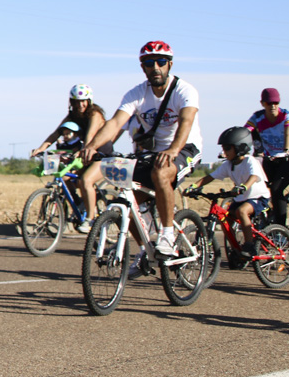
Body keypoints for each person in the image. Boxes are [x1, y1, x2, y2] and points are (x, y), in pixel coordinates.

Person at [82, 41, 203, 272]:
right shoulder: (136, 93)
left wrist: (173, 150)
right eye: (149, 63)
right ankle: (145, 252)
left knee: (161, 173)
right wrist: (92, 145)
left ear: (170, 65)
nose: (155, 67)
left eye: (160, 62)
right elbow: (115, 123)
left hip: (185, 148)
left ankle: (167, 235)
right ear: (143, 67)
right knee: (129, 200)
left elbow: (186, 122)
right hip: (153, 153)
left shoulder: (185, 90)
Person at [30, 84, 110, 232]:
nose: (80, 105)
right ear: (71, 102)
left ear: (89, 100)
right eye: (76, 101)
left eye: (83, 101)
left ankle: (90, 219)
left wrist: (82, 150)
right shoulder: (73, 115)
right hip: (85, 154)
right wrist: (41, 148)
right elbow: (56, 134)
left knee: (86, 180)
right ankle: (80, 202)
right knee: (66, 179)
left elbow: (89, 136)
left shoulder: (95, 114)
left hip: (101, 155)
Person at [187, 127, 270, 258]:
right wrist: (193, 186)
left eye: (227, 148)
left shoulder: (249, 161)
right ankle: (236, 249)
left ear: (240, 147)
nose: (224, 152)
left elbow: (253, 176)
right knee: (226, 219)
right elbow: (210, 177)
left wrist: (243, 187)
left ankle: (250, 245)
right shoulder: (229, 164)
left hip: (257, 196)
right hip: (241, 198)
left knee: (242, 212)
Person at [245, 88, 289, 226]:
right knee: (259, 187)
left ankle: (281, 230)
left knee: (276, 189)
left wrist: (286, 150)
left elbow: (288, 134)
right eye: (269, 103)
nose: (273, 106)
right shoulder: (257, 117)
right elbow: (245, 133)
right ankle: (268, 215)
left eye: (276, 102)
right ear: (262, 103)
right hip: (271, 158)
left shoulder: (287, 115)